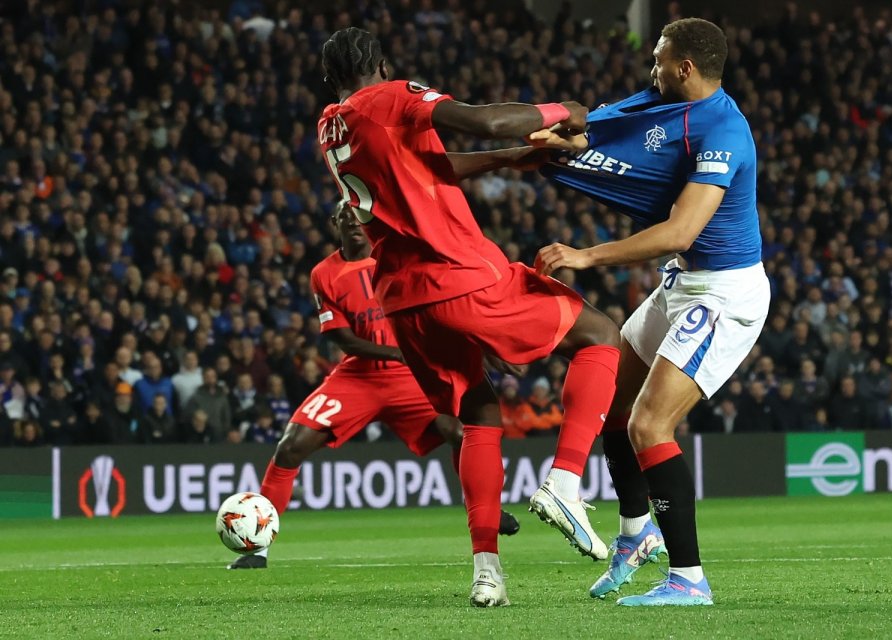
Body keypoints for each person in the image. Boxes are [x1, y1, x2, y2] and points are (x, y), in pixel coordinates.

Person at [318, 28, 623, 606]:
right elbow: (484, 119)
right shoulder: (389, 96)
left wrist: (511, 160)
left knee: (478, 411)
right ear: (382, 65)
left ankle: (487, 573)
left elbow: (429, 166)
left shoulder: (333, 124)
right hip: (458, 275)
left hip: (404, 302)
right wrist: (565, 109)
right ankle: (564, 480)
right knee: (600, 335)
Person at [532, 18, 770, 605]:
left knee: (649, 425)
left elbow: (681, 230)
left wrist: (584, 256)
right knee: (615, 401)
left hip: (724, 293)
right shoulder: (671, 107)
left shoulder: (725, 132)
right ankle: (636, 536)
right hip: (683, 282)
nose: (652, 68)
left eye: (660, 59)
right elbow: (613, 132)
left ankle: (689, 579)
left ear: (685, 67)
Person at [231, 203, 521, 570]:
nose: (354, 224)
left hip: (412, 376)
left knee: (463, 433)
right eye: (346, 218)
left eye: (359, 218)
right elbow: (345, 340)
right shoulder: (325, 273)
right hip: (359, 376)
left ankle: (486, 512)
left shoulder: (400, 258)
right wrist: (400, 352)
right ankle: (257, 549)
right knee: (290, 447)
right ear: (334, 223)